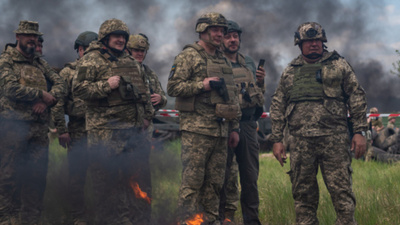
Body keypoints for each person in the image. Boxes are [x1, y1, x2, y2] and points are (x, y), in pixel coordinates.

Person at [270, 22, 367, 224]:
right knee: (303, 196)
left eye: (317, 40)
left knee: (342, 193)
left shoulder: (339, 65)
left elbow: (356, 97)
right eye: (308, 41)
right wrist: (277, 139)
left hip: (334, 139)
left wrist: (359, 131)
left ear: (323, 41)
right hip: (300, 141)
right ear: (299, 43)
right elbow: (278, 104)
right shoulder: (290, 71)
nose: (314, 44)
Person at [73, 18, 154, 225]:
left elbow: (144, 93)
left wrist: (146, 116)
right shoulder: (92, 59)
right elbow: (79, 89)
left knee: (129, 184)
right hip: (105, 134)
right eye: (116, 36)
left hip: (131, 135)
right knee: (106, 186)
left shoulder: (129, 62)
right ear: (106, 38)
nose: (120, 40)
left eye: (123, 37)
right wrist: (105, 85)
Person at [167, 12, 241, 225]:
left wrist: (234, 127)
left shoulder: (222, 60)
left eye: (222, 30)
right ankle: (187, 221)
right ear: (203, 31)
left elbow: (232, 96)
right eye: (215, 30)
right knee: (192, 183)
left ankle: (211, 221)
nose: (220, 34)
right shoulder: (188, 56)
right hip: (197, 131)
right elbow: (173, 87)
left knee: (215, 184)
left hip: (220, 131)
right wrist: (202, 85)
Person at [0, 20, 66, 225]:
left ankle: (31, 220)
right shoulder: (6, 60)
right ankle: (7, 219)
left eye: (35, 36)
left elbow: (60, 84)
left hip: (38, 130)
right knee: (8, 176)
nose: (32, 39)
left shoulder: (39, 62)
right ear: (18, 37)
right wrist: (40, 95)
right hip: (13, 127)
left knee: (36, 178)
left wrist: (46, 102)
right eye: (28, 35)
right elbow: (9, 88)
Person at [219, 20, 265, 225]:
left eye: (235, 36)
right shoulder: (215, 62)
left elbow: (257, 95)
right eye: (228, 36)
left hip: (247, 125)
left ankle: (252, 221)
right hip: (224, 124)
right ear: (221, 39)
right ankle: (221, 219)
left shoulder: (248, 62)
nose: (232, 40)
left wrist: (261, 82)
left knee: (250, 178)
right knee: (221, 177)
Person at [51, 31, 98, 225]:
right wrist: (62, 129)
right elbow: (57, 102)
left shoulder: (102, 69)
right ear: (80, 50)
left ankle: (100, 212)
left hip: (100, 131)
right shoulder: (68, 72)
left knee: (102, 175)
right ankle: (76, 215)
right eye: (89, 50)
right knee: (77, 176)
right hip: (78, 130)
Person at [125, 33, 167, 223]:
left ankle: (143, 217)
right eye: (136, 50)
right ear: (128, 50)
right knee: (123, 176)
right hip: (124, 133)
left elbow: (162, 95)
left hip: (143, 135)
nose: (140, 54)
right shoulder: (122, 69)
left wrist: (161, 99)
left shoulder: (148, 72)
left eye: (143, 51)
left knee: (143, 176)